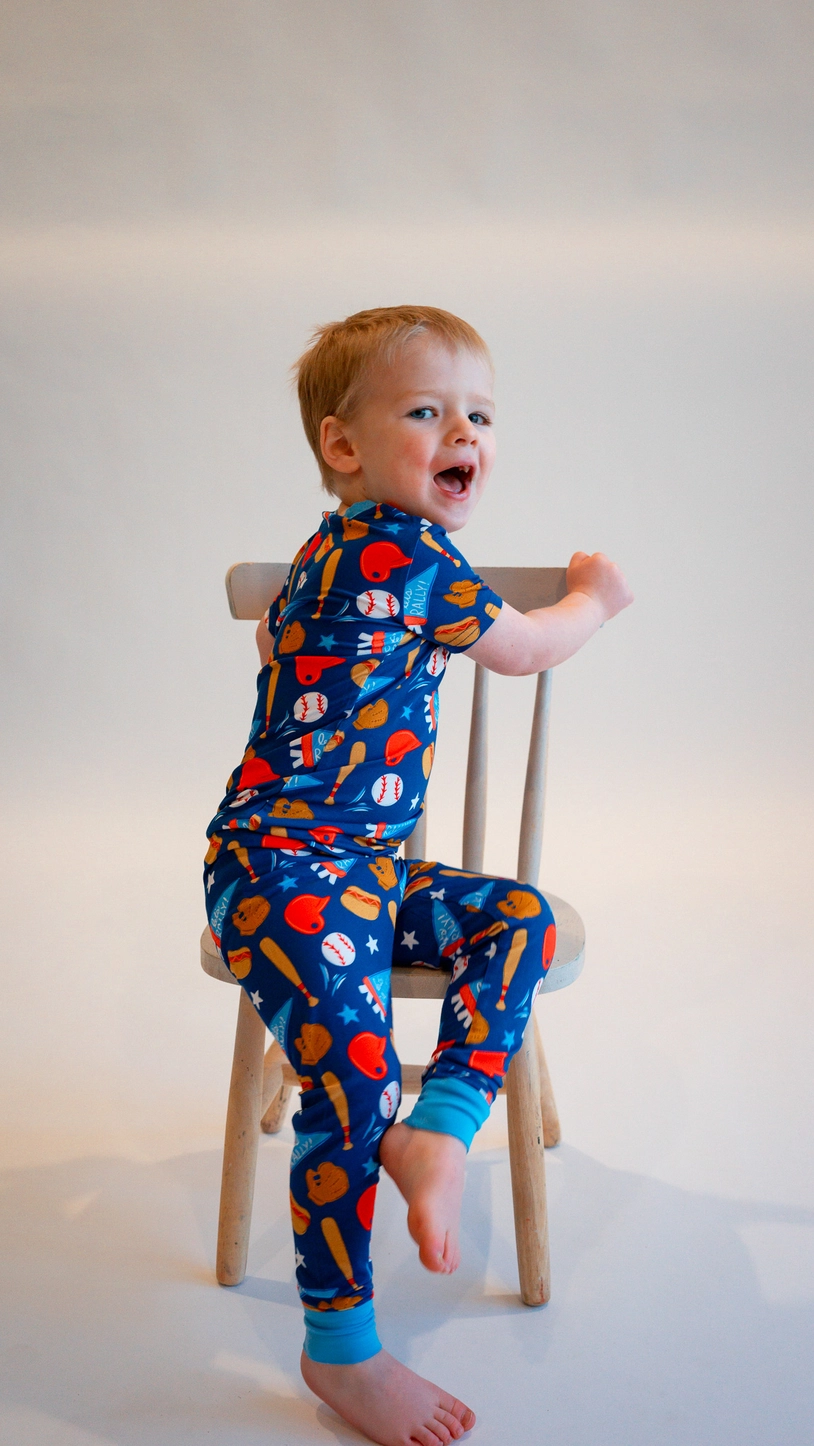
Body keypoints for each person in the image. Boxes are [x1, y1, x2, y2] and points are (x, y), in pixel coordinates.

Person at [204, 305, 633, 1445]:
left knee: (519, 917)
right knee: (346, 1061)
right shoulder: (402, 550)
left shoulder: (329, 552)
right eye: (428, 411)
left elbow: (277, 656)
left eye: (480, 415)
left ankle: (435, 1126)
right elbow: (526, 646)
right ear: (346, 447)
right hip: (278, 870)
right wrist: (590, 600)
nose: (466, 434)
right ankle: (339, 1345)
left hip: (365, 875)